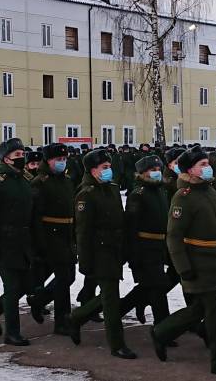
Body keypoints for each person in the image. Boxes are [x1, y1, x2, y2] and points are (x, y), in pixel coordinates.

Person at [150, 147, 216, 377]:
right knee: (213, 309)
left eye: (206, 163)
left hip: (215, 259)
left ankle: (162, 332)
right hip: (197, 262)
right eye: (201, 164)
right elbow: (173, 236)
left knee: (199, 309)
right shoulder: (184, 197)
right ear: (189, 169)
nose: (207, 166)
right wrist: (183, 268)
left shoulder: (209, 191)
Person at [60, 148, 136, 358]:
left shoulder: (111, 188)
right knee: (111, 299)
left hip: (115, 249)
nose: (109, 171)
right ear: (93, 170)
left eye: (110, 167)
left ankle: (76, 318)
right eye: (104, 168)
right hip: (100, 250)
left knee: (107, 295)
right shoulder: (86, 194)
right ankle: (117, 344)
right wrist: (85, 260)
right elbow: (82, 232)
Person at [0, 138, 33, 346]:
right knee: (12, 287)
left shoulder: (24, 180)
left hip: (24, 241)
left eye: (22, 154)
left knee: (26, 285)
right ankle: (12, 332)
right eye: (17, 155)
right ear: (6, 159)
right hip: (5, 242)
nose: (22, 158)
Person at [27, 144, 77, 332]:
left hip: (66, 234)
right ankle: (62, 321)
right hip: (50, 234)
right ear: (48, 161)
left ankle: (39, 299)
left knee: (68, 277)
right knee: (64, 277)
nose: (62, 163)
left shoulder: (66, 180)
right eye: (58, 160)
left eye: (64, 159)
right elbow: (34, 216)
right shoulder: (40, 182)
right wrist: (40, 242)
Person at [119, 154, 174, 327]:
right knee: (157, 288)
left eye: (159, 170)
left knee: (148, 287)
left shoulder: (160, 192)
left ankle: (118, 310)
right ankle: (163, 328)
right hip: (144, 248)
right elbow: (131, 227)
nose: (157, 173)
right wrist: (133, 255)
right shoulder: (138, 194)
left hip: (158, 247)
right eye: (152, 170)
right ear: (142, 173)